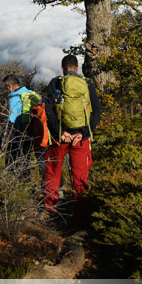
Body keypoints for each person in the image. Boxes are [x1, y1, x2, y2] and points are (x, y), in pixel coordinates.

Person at [42, 54, 102, 225]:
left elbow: (49, 110)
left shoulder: (55, 83)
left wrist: (59, 132)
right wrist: (83, 133)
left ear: (62, 69)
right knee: (80, 177)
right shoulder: (87, 84)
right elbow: (96, 111)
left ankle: (50, 210)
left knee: (53, 173)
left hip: (59, 138)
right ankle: (79, 216)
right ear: (77, 68)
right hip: (80, 140)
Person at [3, 74, 46, 179]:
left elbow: (11, 119)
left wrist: (4, 137)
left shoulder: (14, 97)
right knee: (42, 160)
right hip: (36, 132)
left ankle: (24, 188)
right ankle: (49, 185)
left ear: (9, 86)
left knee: (20, 163)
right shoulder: (31, 93)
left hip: (21, 134)